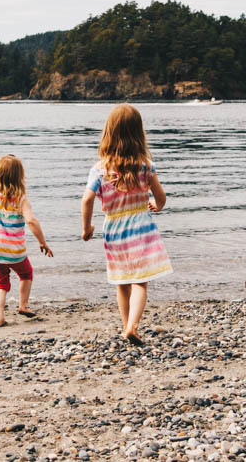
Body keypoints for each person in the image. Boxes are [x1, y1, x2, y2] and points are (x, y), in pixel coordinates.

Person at [81, 104, 173, 346]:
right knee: (140, 281)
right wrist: (156, 205)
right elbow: (161, 197)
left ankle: (126, 327)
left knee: (122, 282)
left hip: (114, 229)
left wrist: (87, 227)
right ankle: (132, 326)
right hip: (141, 226)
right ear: (138, 134)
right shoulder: (145, 166)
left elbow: (87, 198)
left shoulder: (100, 170)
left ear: (109, 133)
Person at [0, 154, 53, 327]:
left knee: (0, 284)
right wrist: (42, 242)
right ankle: (23, 305)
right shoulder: (21, 199)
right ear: (19, 176)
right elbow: (32, 221)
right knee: (26, 274)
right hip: (16, 252)